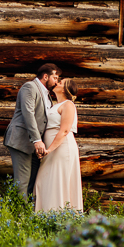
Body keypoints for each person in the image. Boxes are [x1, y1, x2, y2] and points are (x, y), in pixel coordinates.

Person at [3, 63, 61, 203]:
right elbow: (28, 113)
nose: (57, 82)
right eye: (55, 77)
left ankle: (27, 214)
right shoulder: (29, 87)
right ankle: (18, 218)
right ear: (45, 76)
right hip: (22, 140)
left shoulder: (47, 95)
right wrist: (37, 140)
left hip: (36, 146)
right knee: (22, 182)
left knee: (32, 181)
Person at [35, 78, 83, 212]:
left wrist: (49, 150)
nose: (57, 83)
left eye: (60, 83)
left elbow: (65, 130)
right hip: (51, 149)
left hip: (62, 148)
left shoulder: (68, 105)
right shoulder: (54, 105)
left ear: (65, 89)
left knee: (58, 180)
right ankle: (45, 214)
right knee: (44, 180)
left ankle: (59, 214)